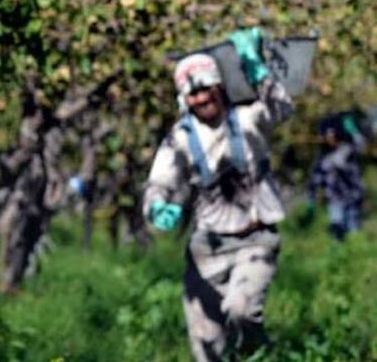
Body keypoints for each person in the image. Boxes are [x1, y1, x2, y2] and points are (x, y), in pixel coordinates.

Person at [143, 29, 293, 362]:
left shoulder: (248, 119)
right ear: (184, 99)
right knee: (206, 342)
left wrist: (258, 70)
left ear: (219, 86)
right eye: (192, 94)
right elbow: (160, 180)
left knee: (240, 310)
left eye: (205, 90)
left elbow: (281, 108)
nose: (200, 99)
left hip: (256, 239)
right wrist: (156, 206)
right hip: (207, 248)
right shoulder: (180, 138)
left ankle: (257, 353)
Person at [306, 112, 367, 240]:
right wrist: (311, 198)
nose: (330, 139)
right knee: (336, 228)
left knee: (353, 230)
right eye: (327, 136)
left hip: (353, 197)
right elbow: (316, 178)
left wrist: (354, 131)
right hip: (335, 198)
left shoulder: (348, 149)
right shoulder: (323, 157)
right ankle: (338, 256)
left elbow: (361, 145)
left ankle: (355, 255)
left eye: (332, 135)